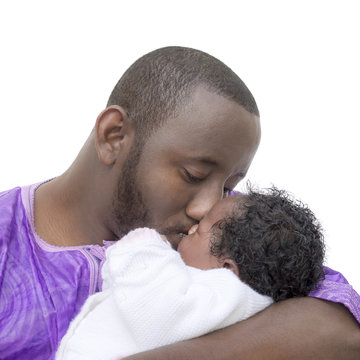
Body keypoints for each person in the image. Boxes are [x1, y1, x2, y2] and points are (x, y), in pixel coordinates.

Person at [0, 46, 359, 360]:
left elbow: (339, 329)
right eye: (193, 174)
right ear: (113, 136)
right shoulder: (7, 239)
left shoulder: (227, 228)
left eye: (229, 185)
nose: (208, 206)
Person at [56, 188, 325, 360]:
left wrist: (143, 245)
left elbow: (161, 313)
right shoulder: (215, 300)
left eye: (201, 229)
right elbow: (130, 295)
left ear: (227, 269)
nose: (191, 229)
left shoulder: (228, 295)